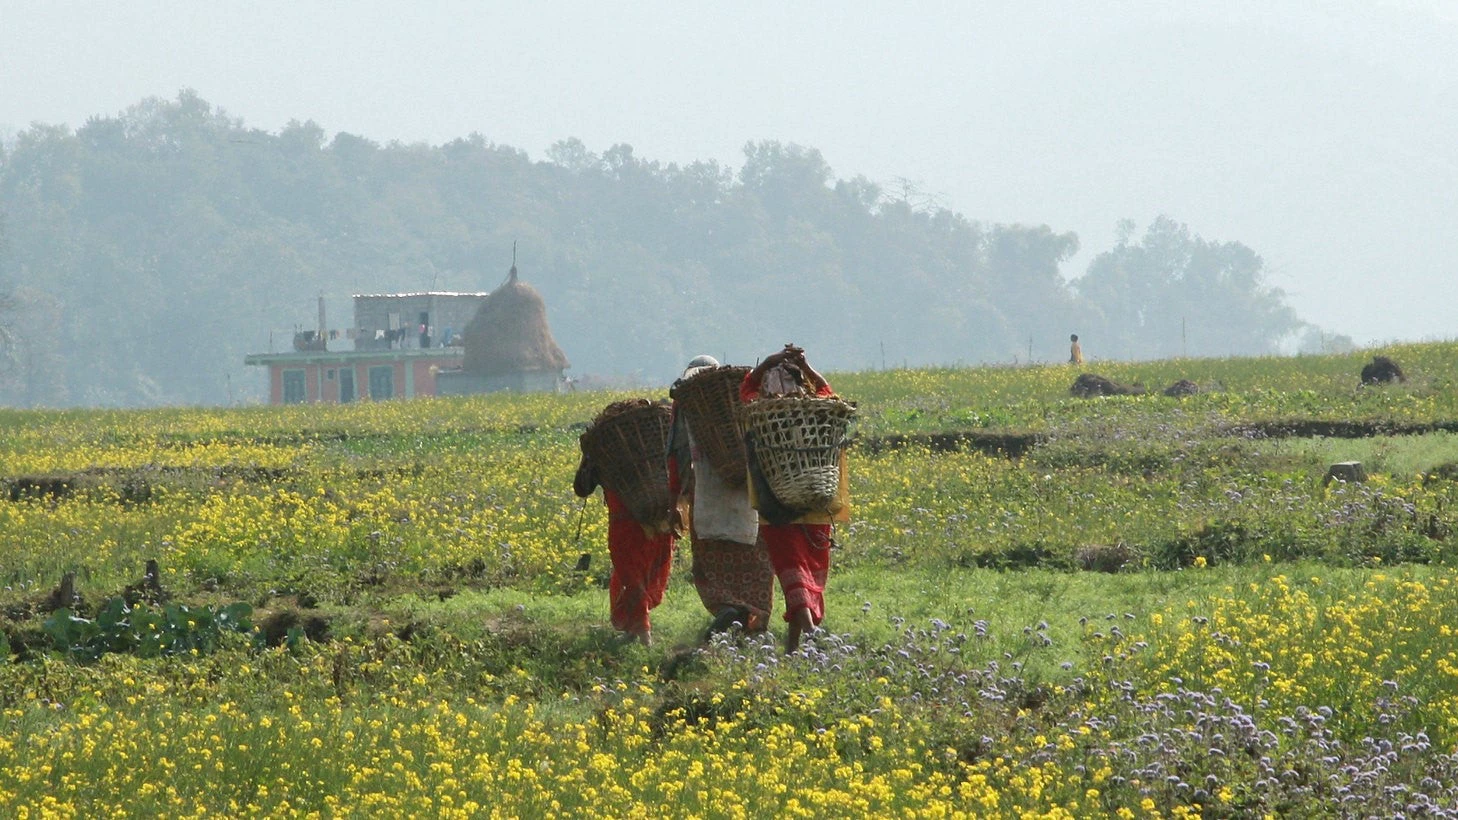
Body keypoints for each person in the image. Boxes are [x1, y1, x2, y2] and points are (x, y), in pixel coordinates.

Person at [740, 345, 849, 652]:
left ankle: (808, 636)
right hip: (816, 504)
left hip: (778, 507)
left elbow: (746, 387)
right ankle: (797, 642)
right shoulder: (818, 408)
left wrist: (767, 364)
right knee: (806, 571)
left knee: (792, 570)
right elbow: (828, 391)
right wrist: (806, 365)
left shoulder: (760, 411)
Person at [668, 356, 775, 637]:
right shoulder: (741, 397)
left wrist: (675, 497)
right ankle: (750, 619)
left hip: (706, 499)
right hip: (749, 499)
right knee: (756, 564)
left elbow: (676, 455)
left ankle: (727, 607)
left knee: (711, 566)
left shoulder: (687, 405)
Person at [574, 445, 675, 646]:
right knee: (645, 574)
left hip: (626, 523)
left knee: (630, 576)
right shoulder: (661, 435)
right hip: (659, 519)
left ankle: (643, 632)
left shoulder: (605, 440)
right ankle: (633, 628)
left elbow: (582, 487)